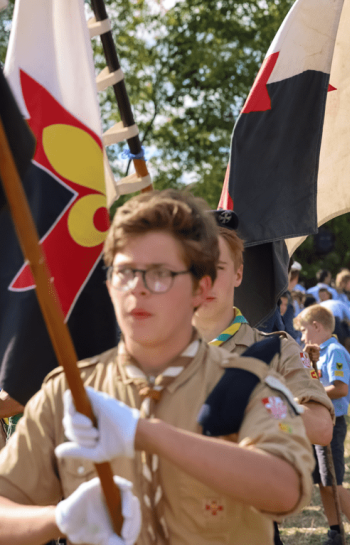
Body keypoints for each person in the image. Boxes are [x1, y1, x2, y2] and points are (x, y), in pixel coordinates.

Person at [0, 189, 314, 544]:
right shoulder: (68, 390)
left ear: (201, 288)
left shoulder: (250, 382)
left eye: (160, 273)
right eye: (125, 272)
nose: (138, 288)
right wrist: (58, 518)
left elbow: (286, 488)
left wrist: (142, 432)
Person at [193, 210, 334, 447]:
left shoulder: (277, 350)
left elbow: (320, 429)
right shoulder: (153, 351)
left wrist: (258, 406)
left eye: (217, 268)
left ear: (238, 274)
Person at [293, 305, 350, 545]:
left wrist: (311, 395)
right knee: (323, 483)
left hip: (332, 424)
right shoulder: (314, 353)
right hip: (318, 423)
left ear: (317, 326)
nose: (302, 337)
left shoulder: (334, 351)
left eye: (304, 331)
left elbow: (340, 388)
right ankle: (335, 531)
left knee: (334, 483)